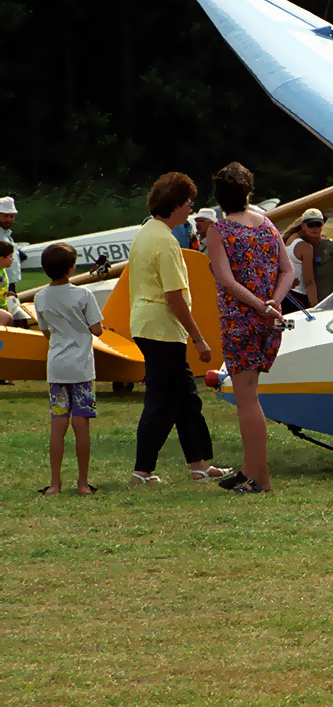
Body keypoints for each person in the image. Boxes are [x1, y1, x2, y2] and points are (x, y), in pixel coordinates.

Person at [127, 172, 231, 487]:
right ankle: (141, 471)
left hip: (146, 324)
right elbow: (174, 296)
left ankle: (199, 464)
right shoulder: (166, 242)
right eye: (187, 204)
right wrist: (199, 338)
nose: (190, 210)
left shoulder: (146, 232)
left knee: (187, 398)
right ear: (174, 206)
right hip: (163, 329)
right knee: (161, 400)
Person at [205, 162, 295, 494]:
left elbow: (226, 282)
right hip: (269, 322)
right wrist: (273, 303)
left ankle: (261, 478)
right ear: (248, 192)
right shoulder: (268, 226)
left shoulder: (219, 231)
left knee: (247, 399)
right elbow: (288, 272)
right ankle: (248, 469)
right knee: (250, 393)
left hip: (240, 322)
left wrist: (259, 306)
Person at [33, 243, 104, 496]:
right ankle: (83, 483)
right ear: (71, 269)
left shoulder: (40, 297)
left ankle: (55, 483)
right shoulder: (84, 295)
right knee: (81, 424)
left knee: (58, 423)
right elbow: (97, 330)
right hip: (82, 368)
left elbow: (45, 332)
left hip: (56, 367)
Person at [287, 208, 333, 307]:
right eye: (311, 225)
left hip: (332, 303)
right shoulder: (302, 247)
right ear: (303, 226)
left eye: (318, 224)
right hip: (309, 304)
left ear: (322, 226)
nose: (314, 228)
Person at [0, 195, 21, 289]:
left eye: (11, 216)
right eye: (5, 216)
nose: (8, 220)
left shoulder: (6, 234)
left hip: (8, 283)